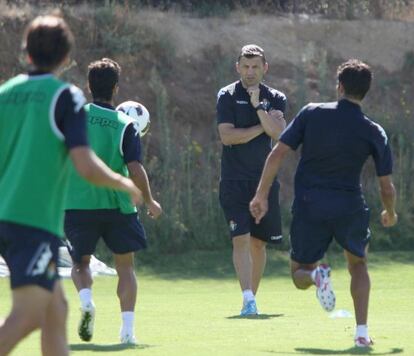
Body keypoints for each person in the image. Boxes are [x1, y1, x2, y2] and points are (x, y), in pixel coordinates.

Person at [0, 16, 140, 356]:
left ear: (26, 52)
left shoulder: (5, 94)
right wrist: (123, 183)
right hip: (31, 221)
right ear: (66, 58)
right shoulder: (66, 97)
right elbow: (85, 164)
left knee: (55, 311)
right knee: (29, 314)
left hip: (9, 217)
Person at [250, 59, 397, 347]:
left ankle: (317, 274)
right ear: (365, 91)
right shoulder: (374, 130)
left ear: (339, 86)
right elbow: (386, 185)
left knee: (298, 274)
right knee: (359, 265)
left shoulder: (312, 113)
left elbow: (277, 154)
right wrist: (389, 211)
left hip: (310, 205)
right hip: (350, 207)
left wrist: (261, 195)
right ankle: (362, 334)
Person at [64, 58, 162, 345]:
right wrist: (150, 200)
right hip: (119, 206)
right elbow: (135, 168)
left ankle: (86, 301)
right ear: (116, 88)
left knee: (80, 263)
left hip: (78, 203)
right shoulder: (125, 124)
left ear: (88, 86)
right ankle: (127, 331)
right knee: (125, 268)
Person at [216, 44, 287, 316]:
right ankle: (247, 298)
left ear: (264, 68)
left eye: (255, 66)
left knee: (259, 242)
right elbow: (228, 137)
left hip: (264, 182)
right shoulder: (227, 95)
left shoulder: (275, 97)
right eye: (245, 66)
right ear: (237, 67)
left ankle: (251, 300)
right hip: (234, 180)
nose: (250, 71)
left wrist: (259, 107)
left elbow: (280, 135)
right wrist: (264, 124)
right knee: (240, 238)